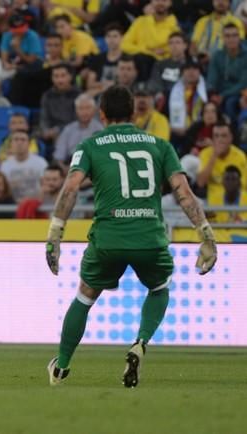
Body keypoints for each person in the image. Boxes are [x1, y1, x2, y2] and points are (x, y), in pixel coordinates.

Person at [45, 85, 218, 388]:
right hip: (150, 238)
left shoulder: (90, 145)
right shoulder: (160, 145)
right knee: (160, 287)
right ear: (135, 112)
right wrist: (206, 235)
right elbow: (184, 193)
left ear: (101, 114)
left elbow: (71, 188)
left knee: (85, 296)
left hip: (108, 240)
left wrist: (55, 235)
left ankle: (62, 366)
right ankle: (140, 342)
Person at [196, 121, 247, 198]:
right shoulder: (205, 153)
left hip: (236, 201)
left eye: (224, 136)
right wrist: (214, 155)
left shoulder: (240, 155)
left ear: (231, 138)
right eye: (216, 136)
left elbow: (243, 186)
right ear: (212, 138)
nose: (220, 139)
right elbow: (201, 183)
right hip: (213, 203)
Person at [0, 130, 48, 201]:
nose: (19, 143)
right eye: (16, 139)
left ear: (29, 144)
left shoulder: (41, 163)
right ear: (11, 143)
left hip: (36, 204)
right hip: (12, 206)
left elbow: (46, 186)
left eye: (23, 140)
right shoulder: (5, 165)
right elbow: (3, 189)